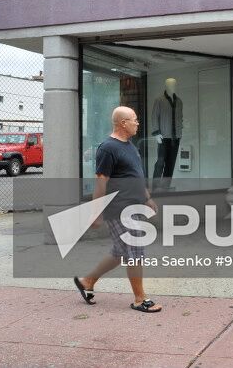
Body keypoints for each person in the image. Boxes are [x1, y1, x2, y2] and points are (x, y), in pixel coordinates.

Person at [73, 106, 162, 313]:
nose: (137, 123)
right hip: (120, 208)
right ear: (123, 123)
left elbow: (135, 174)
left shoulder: (130, 146)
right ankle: (140, 299)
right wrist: (96, 213)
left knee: (120, 252)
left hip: (134, 205)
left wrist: (147, 197)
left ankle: (87, 281)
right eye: (134, 120)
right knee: (135, 251)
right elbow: (101, 182)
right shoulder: (107, 148)